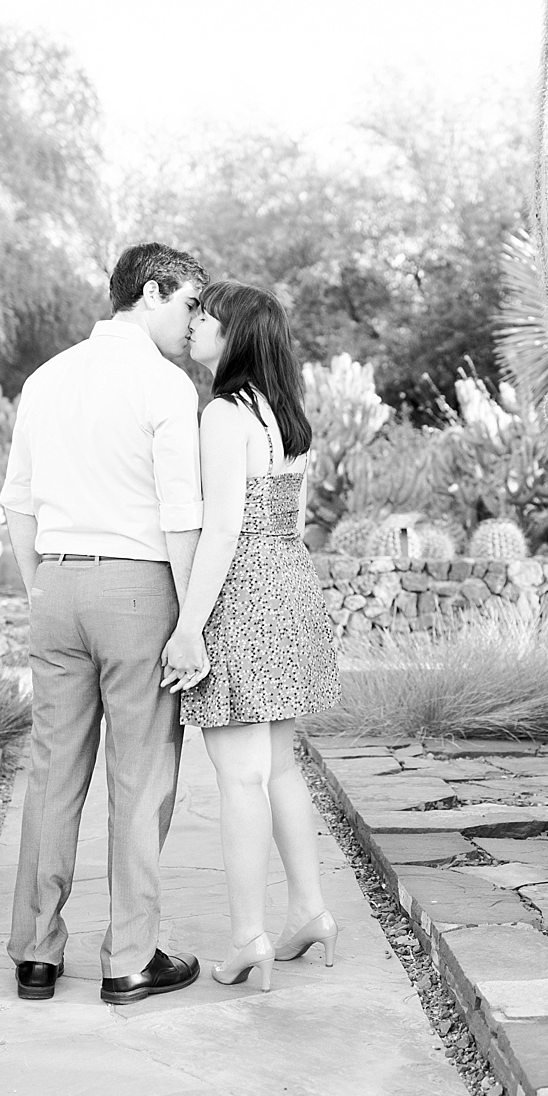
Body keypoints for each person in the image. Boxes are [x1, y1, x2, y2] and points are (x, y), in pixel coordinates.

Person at [0, 242, 210, 1005]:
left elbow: (17, 502)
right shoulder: (164, 386)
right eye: (189, 303)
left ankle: (35, 953)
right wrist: (192, 620)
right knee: (141, 776)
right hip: (140, 590)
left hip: (55, 583)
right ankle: (129, 958)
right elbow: (181, 514)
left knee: (53, 772)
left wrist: (41, 587)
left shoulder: (46, 378)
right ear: (151, 292)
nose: (195, 323)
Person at [162, 280, 342, 992]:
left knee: (239, 777)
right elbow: (278, 523)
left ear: (235, 335)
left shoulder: (222, 415)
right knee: (280, 767)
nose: (196, 324)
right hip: (291, 586)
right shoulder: (284, 418)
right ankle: (309, 912)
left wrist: (189, 628)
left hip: (242, 590)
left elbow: (224, 529)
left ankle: (247, 938)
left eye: (207, 317)